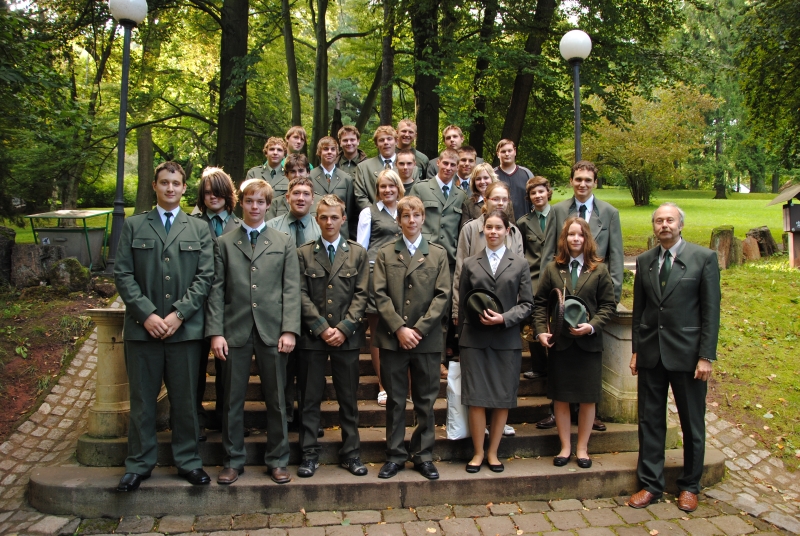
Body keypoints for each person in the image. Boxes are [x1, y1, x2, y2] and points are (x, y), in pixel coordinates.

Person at [115, 161, 215, 491]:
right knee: (143, 402)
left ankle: (188, 461)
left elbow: (205, 276)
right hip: (142, 330)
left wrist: (179, 314)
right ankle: (138, 464)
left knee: (185, 402)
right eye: (164, 182)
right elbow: (123, 274)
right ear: (154, 186)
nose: (170, 188)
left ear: (184, 188)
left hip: (184, 332)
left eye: (176, 183)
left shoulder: (198, 228)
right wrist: (146, 314)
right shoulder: (134, 225)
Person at [206, 178, 300, 485]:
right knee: (231, 400)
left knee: (277, 399)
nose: (255, 207)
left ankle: (278, 460)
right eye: (249, 201)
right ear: (241, 203)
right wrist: (216, 332)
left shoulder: (283, 241)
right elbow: (216, 290)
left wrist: (289, 329)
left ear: (269, 205)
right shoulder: (224, 243)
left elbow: (291, 288)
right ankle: (232, 460)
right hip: (235, 330)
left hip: (273, 330)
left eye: (260, 202)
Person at [627, 202, 720, 512]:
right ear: (654, 226)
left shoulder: (703, 259)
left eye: (670, 220)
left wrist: (706, 356)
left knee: (692, 422)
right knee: (650, 421)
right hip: (651, 354)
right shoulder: (645, 261)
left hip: (688, 356)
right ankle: (650, 484)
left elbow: (710, 312)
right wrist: (636, 350)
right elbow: (639, 311)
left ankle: (690, 485)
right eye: (659, 221)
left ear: (680, 225)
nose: (664, 225)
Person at [538, 160, 622, 432]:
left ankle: (589, 413)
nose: (583, 184)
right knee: (560, 364)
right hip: (562, 293)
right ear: (571, 181)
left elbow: (616, 257)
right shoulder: (558, 210)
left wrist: (609, 301)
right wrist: (549, 299)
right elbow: (549, 254)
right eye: (578, 179)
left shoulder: (609, 213)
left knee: (588, 368)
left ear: (595, 182)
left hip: (593, 295)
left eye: (588, 179)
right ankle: (556, 410)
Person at [372, 196, 451, 480]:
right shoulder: (385, 253)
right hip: (392, 339)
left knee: (425, 400)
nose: (412, 220)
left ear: (423, 218)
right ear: (398, 220)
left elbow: (443, 295)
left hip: (426, 340)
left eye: (416, 215)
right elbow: (379, 294)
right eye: (406, 216)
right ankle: (394, 455)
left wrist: (418, 330)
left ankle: (423, 455)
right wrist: (399, 328)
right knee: (395, 400)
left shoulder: (438, 254)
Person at [533, 217, 616, 469]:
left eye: (580, 234)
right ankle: (565, 447)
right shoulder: (552, 269)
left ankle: (582, 448)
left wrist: (592, 326)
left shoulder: (599, 270)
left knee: (588, 398)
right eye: (571, 234)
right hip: (561, 345)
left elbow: (608, 305)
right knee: (561, 398)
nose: (576, 239)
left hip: (588, 346)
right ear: (564, 238)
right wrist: (541, 331)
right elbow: (540, 303)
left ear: (587, 238)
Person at [296, 195, 370, 478]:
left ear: (343, 219)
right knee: (309, 399)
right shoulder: (303, 253)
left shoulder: (357, 253)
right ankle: (308, 454)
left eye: (334, 217)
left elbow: (362, 294)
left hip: (347, 338)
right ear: (317, 219)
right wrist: (320, 327)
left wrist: (344, 328)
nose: (329, 222)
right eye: (324, 217)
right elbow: (300, 293)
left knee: (348, 399)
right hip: (312, 338)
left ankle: (351, 454)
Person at [458, 209, 533, 473]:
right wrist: (458, 340)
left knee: (502, 398)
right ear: (483, 231)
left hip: (506, 340)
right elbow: (463, 304)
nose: (493, 232)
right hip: (474, 340)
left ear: (507, 231)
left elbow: (527, 304)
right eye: (489, 227)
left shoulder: (520, 264)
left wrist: (504, 318)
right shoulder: (470, 263)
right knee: (476, 398)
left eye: (498, 227)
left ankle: (493, 453)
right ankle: (478, 452)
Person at [267, 176, 322, 426]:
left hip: (313, 306)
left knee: (311, 369)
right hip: (280, 306)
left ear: (313, 199)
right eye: (296, 193)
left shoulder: (322, 227)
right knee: (283, 367)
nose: (301, 198)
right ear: (287, 197)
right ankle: (285, 417)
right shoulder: (271, 227)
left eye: (306, 194)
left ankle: (309, 421)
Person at [193, 167, 242, 441]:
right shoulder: (192, 224)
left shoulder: (241, 226)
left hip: (230, 306)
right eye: (208, 192)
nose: (213, 197)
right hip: (196, 306)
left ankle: (227, 420)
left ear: (228, 194)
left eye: (218, 192)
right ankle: (195, 421)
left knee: (229, 369)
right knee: (195, 368)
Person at [409, 148, 467, 375]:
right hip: (423, 257)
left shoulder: (461, 195)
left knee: (442, 310)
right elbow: (411, 217)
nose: (449, 168)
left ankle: (439, 359)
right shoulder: (421, 188)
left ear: (458, 167)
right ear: (438, 164)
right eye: (446, 163)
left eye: (453, 165)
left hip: (449, 260)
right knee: (420, 306)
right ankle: (414, 354)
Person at [356, 169, 404, 407]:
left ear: (398, 187)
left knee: (400, 327)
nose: (387, 190)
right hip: (377, 275)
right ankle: (383, 385)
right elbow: (361, 249)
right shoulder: (369, 212)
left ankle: (401, 383)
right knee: (378, 332)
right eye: (383, 186)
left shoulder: (405, 210)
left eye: (391, 185)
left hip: (403, 275)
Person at [517, 176, 552, 380]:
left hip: (555, 278)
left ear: (548, 192)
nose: (537, 196)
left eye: (541, 191)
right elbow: (521, 253)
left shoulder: (560, 217)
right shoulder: (524, 222)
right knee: (532, 322)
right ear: (528, 197)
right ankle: (539, 366)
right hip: (533, 279)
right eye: (533, 193)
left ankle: (556, 365)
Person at [309, 136, 356, 238]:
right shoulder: (310, 176)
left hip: (341, 231)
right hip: (316, 228)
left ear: (337, 152)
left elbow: (349, 210)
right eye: (326, 149)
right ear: (319, 152)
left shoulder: (346, 178)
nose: (329, 152)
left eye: (333, 149)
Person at [459, 163, 516, 231]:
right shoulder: (468, 205)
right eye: (478, 179)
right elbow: (464, 231)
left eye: (486, 178)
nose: (482, 181)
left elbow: (512, 229)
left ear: (492, 178)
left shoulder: (506, 203)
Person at [266, 153, 322, 221]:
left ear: (308, 173)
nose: (297, 175)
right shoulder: (276, 203)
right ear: (286, 174)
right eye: (293, 171)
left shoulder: (320, 201)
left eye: (301, 171)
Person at [354, 125, 398, 211]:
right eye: (381, 140)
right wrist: (374, 213)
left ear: (396, 141)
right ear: (376, 144)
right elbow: (360, 196)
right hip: (373, 215)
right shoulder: (363, 167)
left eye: (389, 139)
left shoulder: (407, 165)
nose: (386, 142)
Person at [494, 139, 533, 217]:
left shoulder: (526, 173)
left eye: (509, 151)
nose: (507, 154)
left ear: (515, 151)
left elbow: (534, 199)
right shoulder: (493, 175)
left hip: (525, 221)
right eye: (503, 151)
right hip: (499, 221)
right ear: (498, 154)